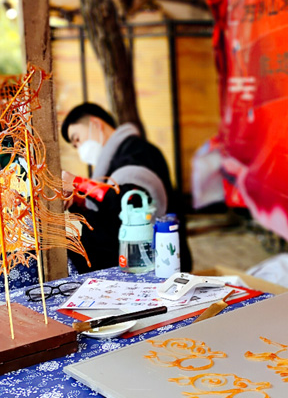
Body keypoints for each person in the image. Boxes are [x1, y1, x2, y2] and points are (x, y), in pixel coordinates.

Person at [61, 102, 192, 273]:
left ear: (95, 124)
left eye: (77, 140)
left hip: (149, 264)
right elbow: (111, 213)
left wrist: (80, 184)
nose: (79, 149)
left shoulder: (139, 152)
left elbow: (129, 200)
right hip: (121, 260)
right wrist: (82, 202)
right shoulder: (114, 161)